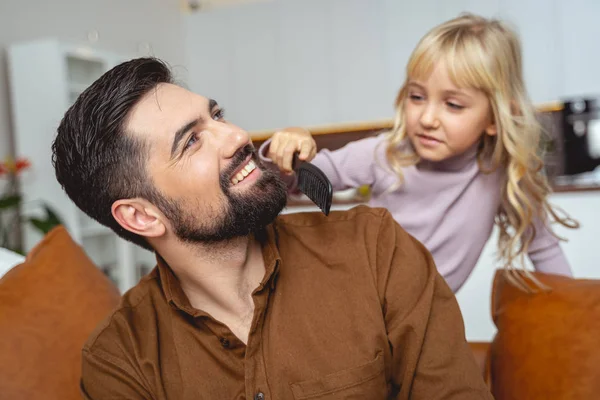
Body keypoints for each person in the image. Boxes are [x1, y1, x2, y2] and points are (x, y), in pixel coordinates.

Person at [51, 57, 492, 399]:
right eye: (191, 141)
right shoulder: (120, 361)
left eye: (217, 115)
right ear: (142, 216)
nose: (238, 135)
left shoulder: (374, 248)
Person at [263, 13, 578, 293]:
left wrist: (577, 312)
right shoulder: (383, 153)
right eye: (417, 97)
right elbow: (296, 181)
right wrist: (291, 149)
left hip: (426, 318)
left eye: (453, 105)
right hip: (356, 300)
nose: (427, 119)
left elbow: (544, 247)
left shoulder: (503, 176)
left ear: (495, 118)